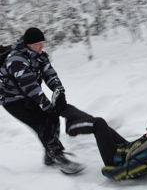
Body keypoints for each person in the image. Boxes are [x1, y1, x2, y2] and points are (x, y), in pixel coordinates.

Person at [0, 27, 84, 174]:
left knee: (53, 117)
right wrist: (46, 105)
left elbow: (49, 74)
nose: (41, 47)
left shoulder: (39, 55)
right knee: (42, 123)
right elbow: (31, 86)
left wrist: (59, 92)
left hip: (26, 95)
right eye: (37, 44)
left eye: (43, 43)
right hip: (11, 100)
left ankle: (50, 155)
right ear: (28, 44)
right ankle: (59, 157)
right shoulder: (16, 60)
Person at [62, 106, 147, 181]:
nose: (146, 129)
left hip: (115, 161)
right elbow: (138, 148)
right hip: (127, 151)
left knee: (98, 124)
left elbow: (124, 172)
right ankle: (66, 109)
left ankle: (70, 126)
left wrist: (107, 171)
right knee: (100, 125)